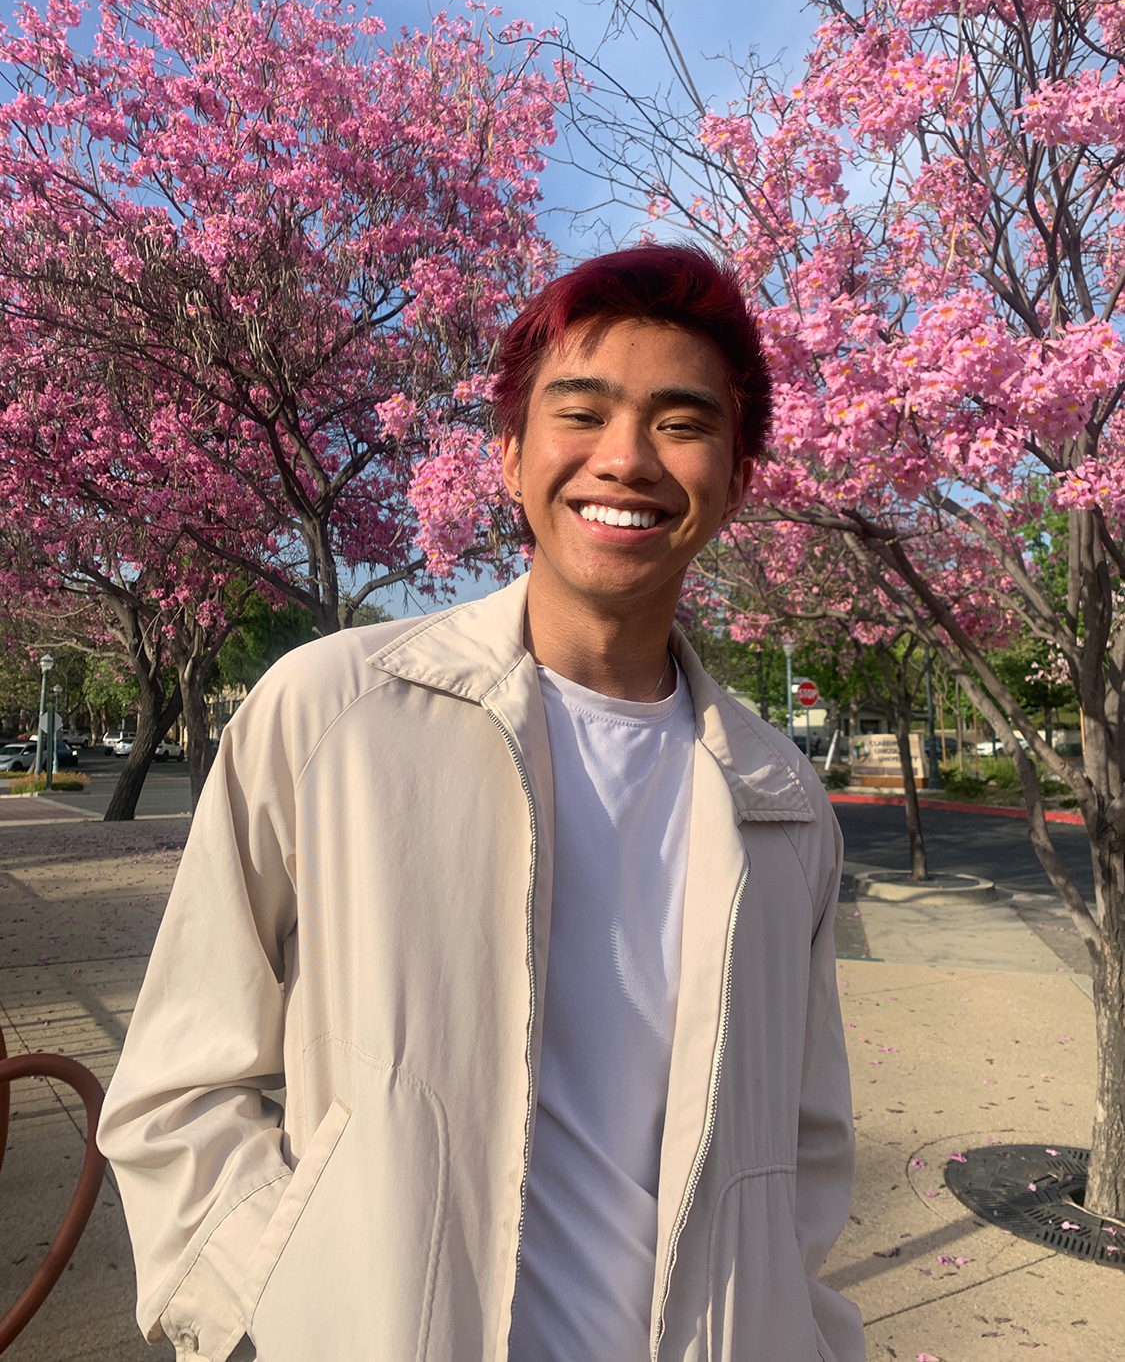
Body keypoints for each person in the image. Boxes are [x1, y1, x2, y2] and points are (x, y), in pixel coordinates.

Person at [99, 244, 864, 1362]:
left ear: (737, 478)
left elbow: (804, 1148)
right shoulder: (333, 716)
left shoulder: (782, 799)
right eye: (583, 412)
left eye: (683, 422)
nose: (627, 459)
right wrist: (264, 1306)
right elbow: (178, 1083)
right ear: (509, 457)